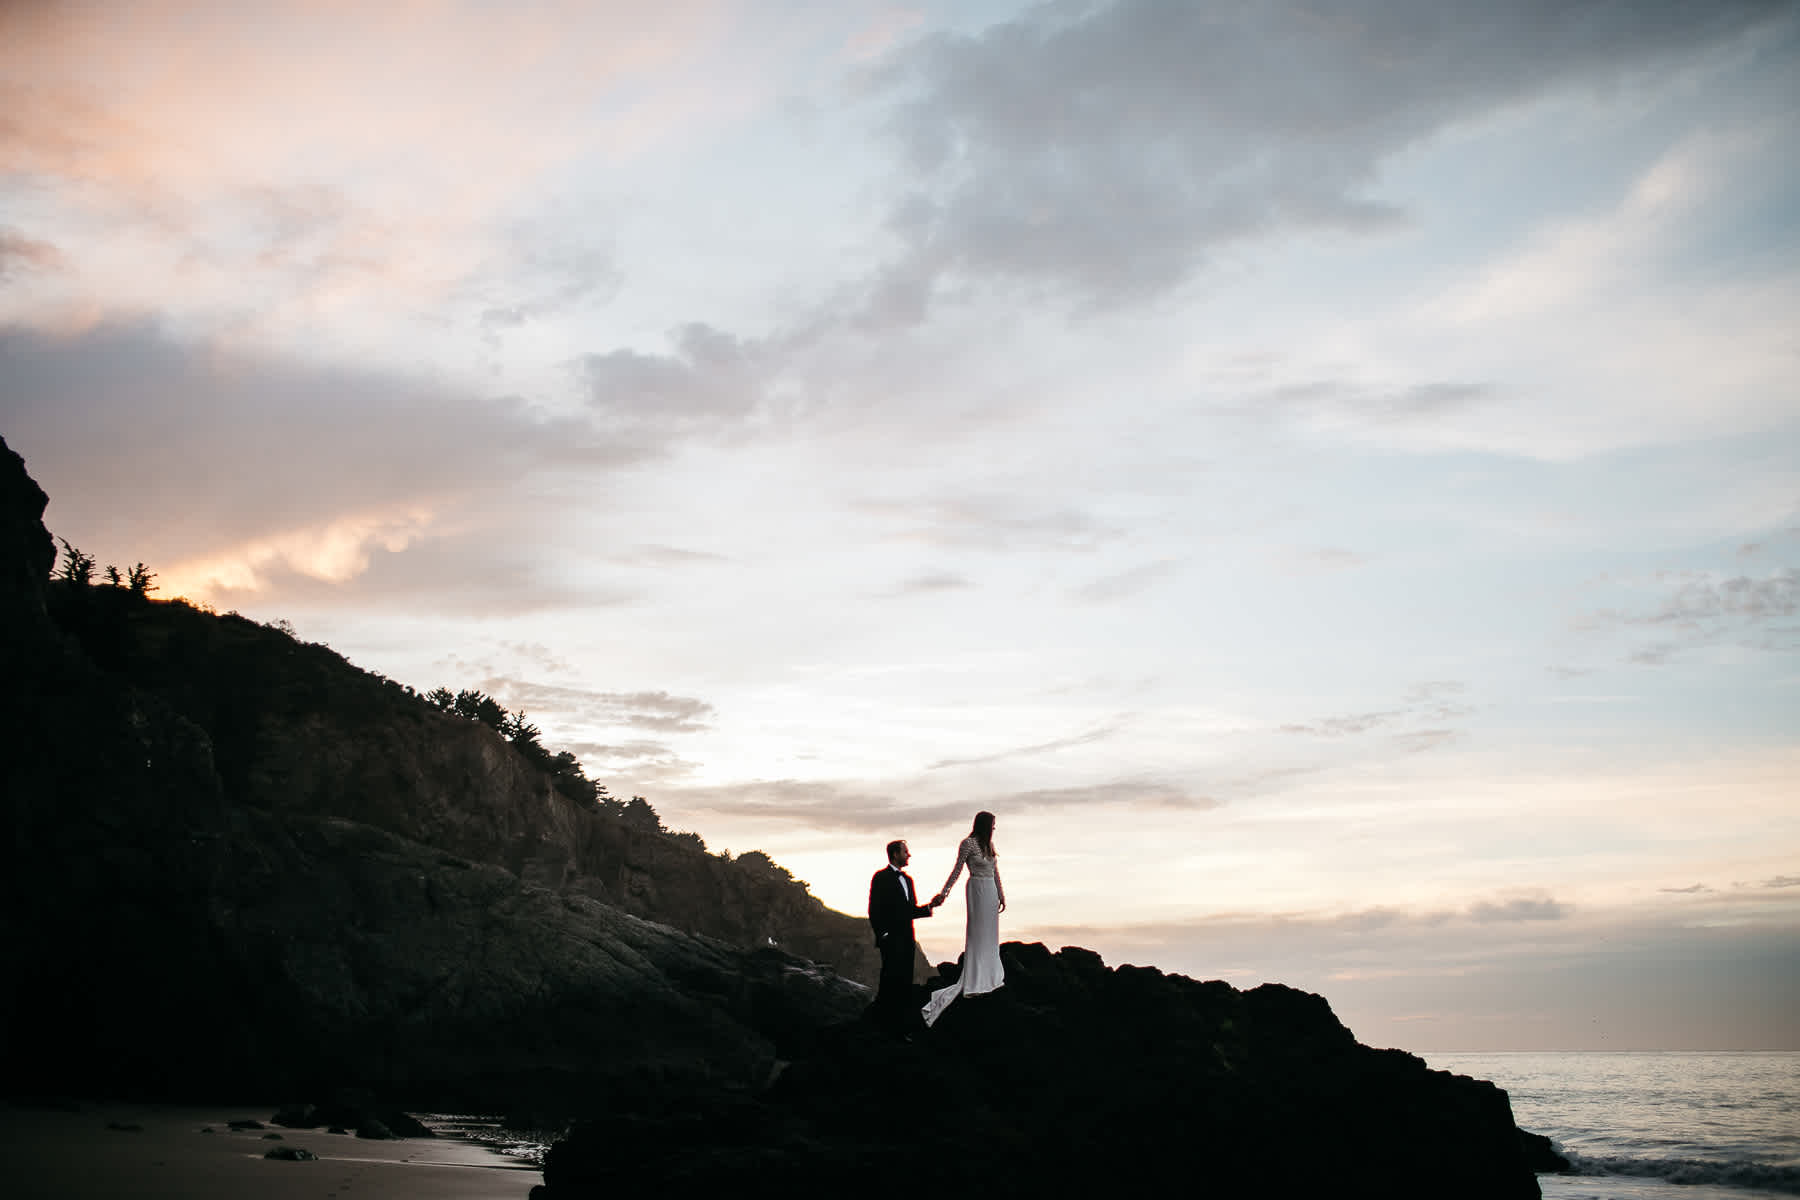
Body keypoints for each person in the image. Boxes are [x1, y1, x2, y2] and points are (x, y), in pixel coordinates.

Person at [922, 811, 1005, 1027]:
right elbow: (958, 869)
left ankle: (989, 972)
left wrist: (1001, 894)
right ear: (985, 824)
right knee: (977, 933)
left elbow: (996, 872)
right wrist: (945, 892)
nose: (995, 827)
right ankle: (976, 976)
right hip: (976, 888)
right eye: (993, 824)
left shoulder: (989, 845)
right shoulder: (968, 844)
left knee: (989, 934)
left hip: (989, 890)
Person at [867, 839, 942, 1035]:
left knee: (904, 983)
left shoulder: (908, 880)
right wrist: (882, 935)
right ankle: (882, 1026)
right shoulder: (880, 877)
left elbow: (910, 911)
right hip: (890, 940)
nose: (909, 855)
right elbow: (874, 909)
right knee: (889, 982)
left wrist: (930, 906)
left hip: (907, 940)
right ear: (895, 854)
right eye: (905, 851)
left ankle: (899, 1028)